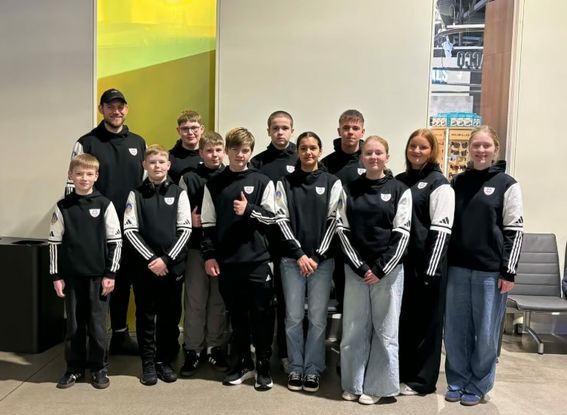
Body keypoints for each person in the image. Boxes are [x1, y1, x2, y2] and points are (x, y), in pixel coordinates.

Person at [444, 126, 524, 406]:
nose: (481, 150)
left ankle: (479, 384)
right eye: (476, 145)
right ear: (469, 148)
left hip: (490, 272)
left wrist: (508, 271)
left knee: (486, 332)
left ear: (495, 149)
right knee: (455, 330)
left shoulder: (507, 184)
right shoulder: (457, 182)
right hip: (457, 269)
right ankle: (456, 380)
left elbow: (515, 231)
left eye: (486, 145)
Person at [66, 88, 146, 355]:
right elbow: (71, 187)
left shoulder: (139, 142)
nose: (116, 111)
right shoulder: (86, 142)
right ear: (101, 109)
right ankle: (92, 345)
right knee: (96, 287)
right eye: (110, 106)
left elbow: (145, 187)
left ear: (127, 109)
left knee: (123, 282)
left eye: (120, 106)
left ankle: (120, 335)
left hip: (131, 230)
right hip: (96, 231)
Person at [336, 136, 412, 405]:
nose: (374, 157)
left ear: (387, 157)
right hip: (356, 271)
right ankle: (353, 383)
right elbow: (341, 229)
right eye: (369, 153)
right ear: (362, 157)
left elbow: (403, 234)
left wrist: (381, 269)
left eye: (379, 153)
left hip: (388, 273)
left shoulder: (400, 190)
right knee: (353, 330)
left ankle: (379, 386)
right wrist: (360, 266)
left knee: (385, 332)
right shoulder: (349, 189)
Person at [201, 127, 276, 391]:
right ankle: (244, 363)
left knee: (262, 315)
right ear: (227, 151)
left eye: (245, 150)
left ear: (250, 152)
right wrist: (209, 255)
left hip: (258, 261)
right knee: (237, 316)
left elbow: (273, 218)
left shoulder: (263, 181)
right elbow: (208, 223)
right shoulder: (214, 183)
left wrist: (249, 210)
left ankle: (263, 366)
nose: (240, 155)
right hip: (228, 262)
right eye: (235, 150)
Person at [274, 132, 341, 393]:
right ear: (297, 151)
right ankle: (295, 366)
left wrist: (316, 256)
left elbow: (335, 221)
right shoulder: (285, 182)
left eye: (313, 148)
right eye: (303, 148)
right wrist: (300, 254)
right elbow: (281, 219)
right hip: (292, 261)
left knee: (317, 318)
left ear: (319, 151)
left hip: (321, 262)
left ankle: (313, 368)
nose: (308, 152)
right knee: (292, 317)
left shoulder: (332, 182)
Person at [49, 153, 122, 389]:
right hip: (72, 278)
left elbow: (116, 241)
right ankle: (74, 368)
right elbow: (54, 243)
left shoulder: (105, 204)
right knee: (74, 326)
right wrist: (56, 276)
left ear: (96, 176)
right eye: (79, 173)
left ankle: (99, 367)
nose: (84, 178)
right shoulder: (63, 207)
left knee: (97, 326)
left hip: (99, 278)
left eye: (89, 174)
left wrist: (110, 274)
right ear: (70, 175)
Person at [123, 145, 192, 386]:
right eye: (152, 162)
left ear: (168, 165)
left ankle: (164, 360)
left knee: (169, 316)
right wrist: (152, 260)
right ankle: (148, 362)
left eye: (161, 162)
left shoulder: (179, 193)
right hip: (144, 269)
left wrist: (166, 260)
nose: (157, 166)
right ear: (144, 165)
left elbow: (185, 229)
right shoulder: (135, 194)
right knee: (145, 315)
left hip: (172, 268)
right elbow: (129, 230)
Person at [396, 129, 455, 395]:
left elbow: (442, 230)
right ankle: (402, 373)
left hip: (428, 267)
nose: (417, 151)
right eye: (413, 146)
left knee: (427, 325)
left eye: (423, 147)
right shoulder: (400, 180)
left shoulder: (439, 183)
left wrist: (430, 270)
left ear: (432, 151)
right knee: (406, 322)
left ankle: (422, 381)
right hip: (402, 265)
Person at [178, 132, 229, 377]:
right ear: (200, 153)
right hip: (196, 249)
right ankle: (193, 349)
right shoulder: (189, 178)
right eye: (209, 150)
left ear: (224, 152)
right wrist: (190, 220)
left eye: (218, 150)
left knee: (218, 301)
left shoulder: (230, 176)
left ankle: (214, 347)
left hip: (223, 250)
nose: (214, 155)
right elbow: (178, 212)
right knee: (195, 300)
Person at [250, 110, 297, 372]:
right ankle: (262, 352)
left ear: (292, 130)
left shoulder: (302, 158)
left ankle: (287, 353)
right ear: (268, 131)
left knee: (290, 303)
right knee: (265, 302)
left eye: (285, 128)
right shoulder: (258, 162)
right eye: (275, 128)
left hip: (293, 245)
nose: (280, 132)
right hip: (266, 246)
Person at [321, 109, 366, 319]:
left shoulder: (370, 160)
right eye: (346, 128)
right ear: (339, 131)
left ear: (362, 132)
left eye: (355, 128)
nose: (350, 132)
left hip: (362, 238)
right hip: (334, 239)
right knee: (341, 292)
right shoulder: (326, 164)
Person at [169, 110, 205, 183]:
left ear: (202, 129)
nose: (190, 132)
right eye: (185, 128)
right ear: (178, 131)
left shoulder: (210, 155)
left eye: (194, 128)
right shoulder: (169, 158)